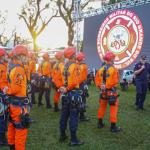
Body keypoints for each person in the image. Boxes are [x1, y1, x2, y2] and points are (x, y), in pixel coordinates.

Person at [54, 46, 84, 146]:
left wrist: (61, 87)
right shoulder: (76, 66)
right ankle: (73, 139)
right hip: (73, 94)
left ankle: (62, 135)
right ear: (73, 55)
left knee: (64, 114)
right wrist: (66, 88)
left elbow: (56, 78)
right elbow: (75, 81)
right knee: (74, 116)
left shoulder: (63, 66)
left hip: (65, 94)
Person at [3, 45, 30, 150]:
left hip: (12, 103)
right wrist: (8, 90)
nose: (27, 59)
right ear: (21, 56)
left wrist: (7, 90)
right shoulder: (19, 69)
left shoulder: (10, 67)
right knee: (20, 130)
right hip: (19, 105)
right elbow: (16, 88)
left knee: (12, 127)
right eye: (26, 56)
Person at [95, 52, 121, 132]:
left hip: (103, 92)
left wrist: (101, 86)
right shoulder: (114, 69)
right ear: (111, 59)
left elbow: (96, 80)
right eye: (113, 58)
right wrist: (107, 86)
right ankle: (113, 127)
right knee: (113, 108)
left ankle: (100, 123)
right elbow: (115, 81)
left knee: (102, 107)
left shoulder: (101, 69)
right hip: (112, 92)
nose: (114, 59)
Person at [76, 52, 90, 121]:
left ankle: (77, 114)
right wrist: (78, 82)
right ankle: (82, 116)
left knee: (77, 99)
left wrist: (76, 83)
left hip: (76, 85)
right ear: (82, 58)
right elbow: (84, 77)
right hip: (82, 85)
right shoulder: (84, 66)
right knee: (82, 100)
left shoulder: (75, 65)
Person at [0, 48, 9, 146]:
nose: (7, 56)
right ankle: (2, 139)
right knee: (2, 116)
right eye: (5, 55)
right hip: (1, 94)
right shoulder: (2, 67)